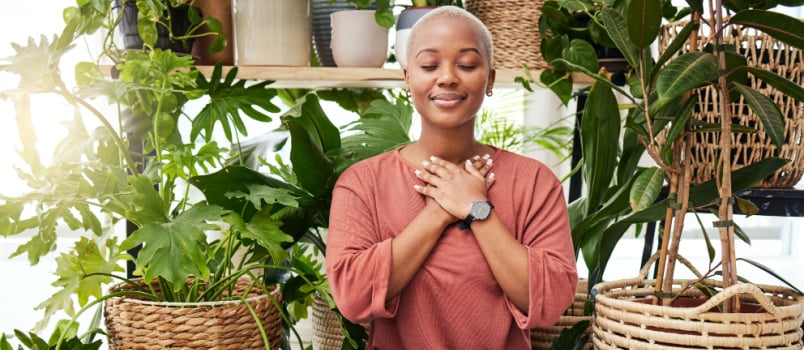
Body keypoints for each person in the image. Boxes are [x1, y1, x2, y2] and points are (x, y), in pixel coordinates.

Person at [326, 6, 578, 349]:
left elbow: (551, 301)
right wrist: (437, 212)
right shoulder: (362, 183)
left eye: (467, 65)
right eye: (430, 65)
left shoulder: (534, 182)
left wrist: (478, 209)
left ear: (490, 79)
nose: (447, 77)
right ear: (407, 78)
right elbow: (353, 298)